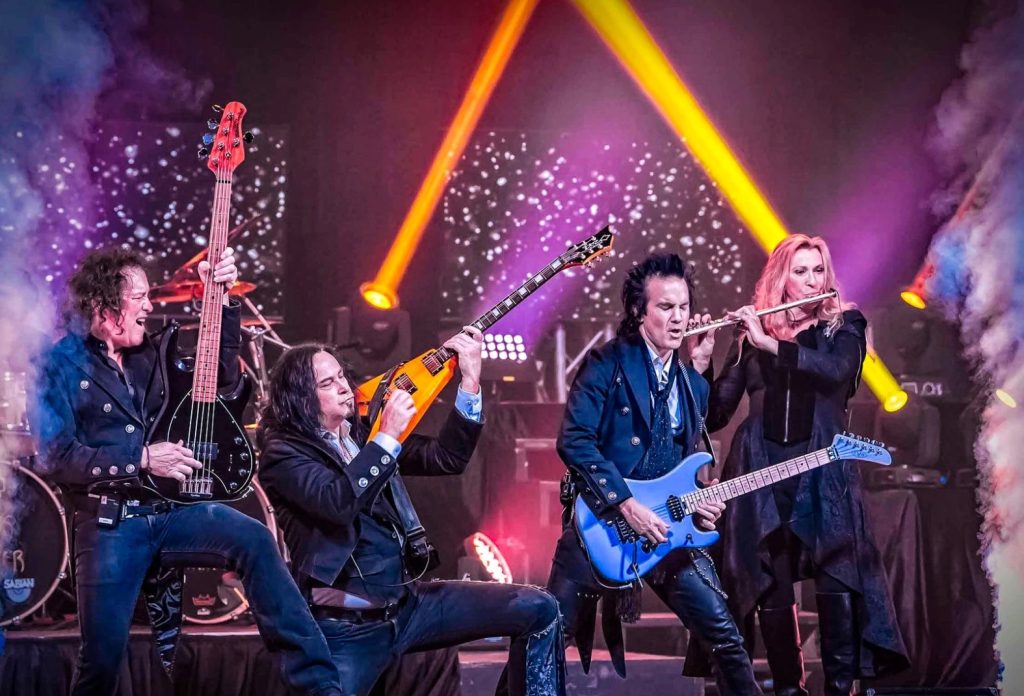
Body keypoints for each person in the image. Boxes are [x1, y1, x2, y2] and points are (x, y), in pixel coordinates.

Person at [32, 247, 343, 696]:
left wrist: (222, 299)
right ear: (104, 306)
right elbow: (56, 456)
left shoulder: (152, 351)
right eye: (139, 296)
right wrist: (141, 457)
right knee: (101, 659)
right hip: (109, 523)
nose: (149, 305)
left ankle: (320, 685)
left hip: (170, 510)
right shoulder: (57, 364)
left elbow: (218, 376)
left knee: (254, 537)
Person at [256, 333, 565, 696]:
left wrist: (469, 382)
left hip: (409, 607)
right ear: (300, 398)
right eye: (327, 383)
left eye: (341, 376)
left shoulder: (360, 434)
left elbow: (446, 458)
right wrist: (387, 436)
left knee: (539, 609)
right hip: (347, 627)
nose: (343, 387)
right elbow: (336, 504)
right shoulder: (284, 454)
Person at [545, 252, 762, 695]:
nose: (678, 317)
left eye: (683, 306)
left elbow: (684, 460)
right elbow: (575, 441)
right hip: (602, 525)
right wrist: (626, 505)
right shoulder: (606, 362)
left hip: (666, 531)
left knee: (725, 638)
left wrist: (700, 504)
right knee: (547, 641)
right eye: (665, 307)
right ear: (638, 311)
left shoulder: (689, 379)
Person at [706, 234, 909, 696]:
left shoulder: (844, 325)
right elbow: (716, 414)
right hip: (761, 473)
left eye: (818, 270)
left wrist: (772, 346)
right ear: (781, 278)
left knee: (837, 580)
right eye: (800, 271)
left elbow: (836, 372)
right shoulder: (752, 331)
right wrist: (701, 359)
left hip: (823, 469)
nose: (812, 280)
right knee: (770, 584)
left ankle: (839, 689)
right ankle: (788, 689)